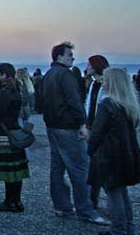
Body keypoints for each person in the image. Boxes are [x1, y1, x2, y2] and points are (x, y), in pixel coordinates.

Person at [39, 41, 107, 225]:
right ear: (60, 56)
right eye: (70, 55)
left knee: (57, 168)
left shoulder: (49, 75)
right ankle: (86, 210)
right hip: (67, 127)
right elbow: (73, 101)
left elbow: (42, 101)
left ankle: (62, 206)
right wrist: (82, 124)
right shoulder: (65, 75)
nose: (73, 58)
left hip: (52, 127)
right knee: (81, 168)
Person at [88, 67, 140, 235]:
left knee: (113, 193)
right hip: (126, 153)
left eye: (105, 79)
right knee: (121, 191)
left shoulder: (107, 104)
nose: (103, 81)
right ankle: (128, 227)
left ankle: (118, 229)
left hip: (109, 155)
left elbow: (97, 133)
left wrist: (90, 149)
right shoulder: (128, 104)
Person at [0, 63, 30, 212]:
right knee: (16, 171)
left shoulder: (4, 92)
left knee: (8, 171)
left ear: (4, 75)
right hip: (14, 132)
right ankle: (16, 201)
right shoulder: (16, 90)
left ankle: (9, 201)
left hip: (4, 134)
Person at [84, 54, 109, 209]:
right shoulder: (93, 84)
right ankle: (92, 201)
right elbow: (89, 106)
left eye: (89, 65)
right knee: (93, 167)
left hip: (102, 130)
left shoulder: (106, 85)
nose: (86, 68)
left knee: (101, 166)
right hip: (92, 127)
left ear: (96, 67)